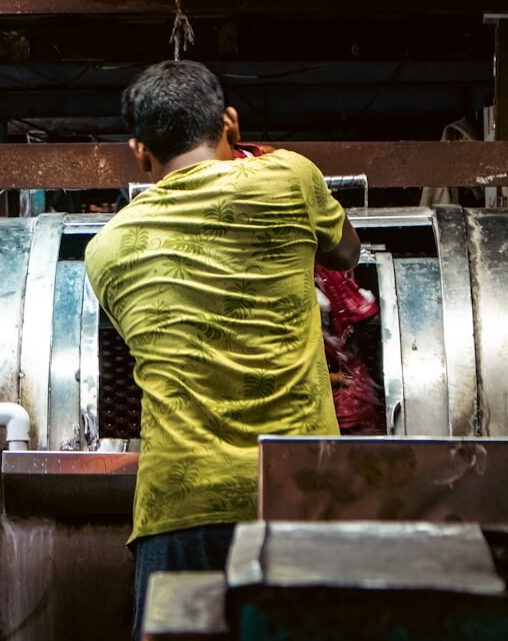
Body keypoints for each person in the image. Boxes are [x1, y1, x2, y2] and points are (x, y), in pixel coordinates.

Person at [83, 60, 360, 640]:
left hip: (181, 509)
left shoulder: (107, 249)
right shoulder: (290, 179)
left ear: (140, 153)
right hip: (299, 496)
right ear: (229, 122)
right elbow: (346, 255)